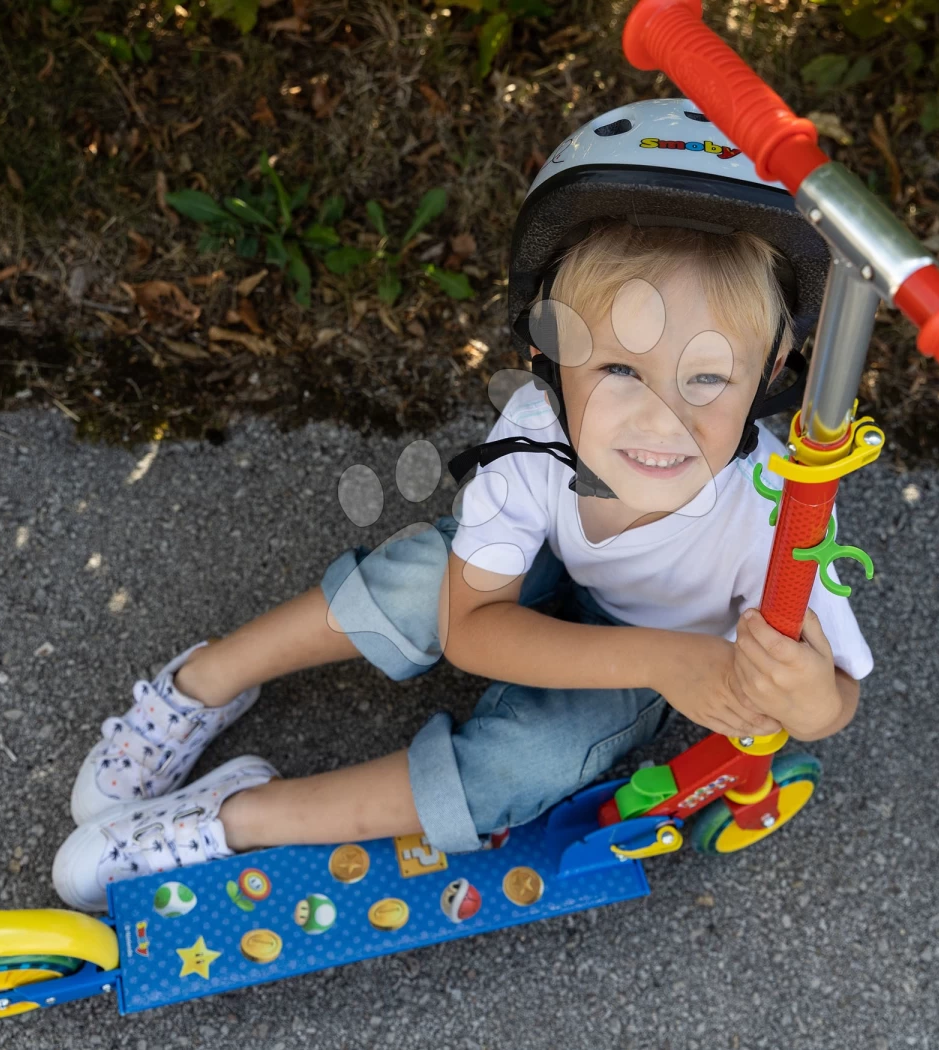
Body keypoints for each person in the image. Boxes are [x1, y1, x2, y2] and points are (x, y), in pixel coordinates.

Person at [52, 99, 874, 911]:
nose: (664, 419)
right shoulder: (536, 431)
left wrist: (798, 694)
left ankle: (240, 819)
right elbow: (472, 628)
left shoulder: (777, 515)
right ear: (550, 357)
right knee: (420, 579)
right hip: (651, 642)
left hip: (671, 645)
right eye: (621, 371)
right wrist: (670, 662)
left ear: (770, 376)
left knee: (530, 763)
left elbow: (831, 703)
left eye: (705, 379)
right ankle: (204, 683)